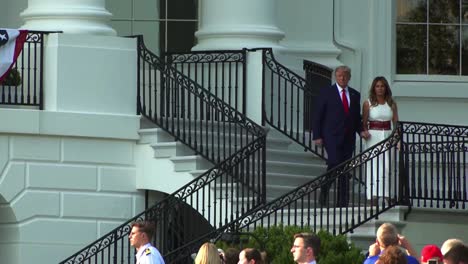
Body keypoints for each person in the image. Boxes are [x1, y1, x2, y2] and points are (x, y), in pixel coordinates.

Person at [312, 65, 363, 207]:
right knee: (334, 163)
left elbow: (355, 117)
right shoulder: (327, 92)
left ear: (349, 78)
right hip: (331, 136)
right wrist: (317, 135)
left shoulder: (354, 94)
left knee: (345, 168)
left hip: (349, 137)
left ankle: (343, 201)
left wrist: (361, 131)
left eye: (345, 76)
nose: (343, 78)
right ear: (336, 77)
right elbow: (318, 115)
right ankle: (324, 191)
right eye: (340, 76)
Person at [361, 76, 399, 204]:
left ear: (386, 88)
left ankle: (388, 194)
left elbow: (395, 123)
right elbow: (364, 123)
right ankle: (373, 195)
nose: (380, 89)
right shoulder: (368, 103)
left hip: (388, 135)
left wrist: (397, 140)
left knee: (388, 165)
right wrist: (364, 132)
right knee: (374, 165)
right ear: (374, 88)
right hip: (373, 136)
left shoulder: (391, 103)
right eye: (377, 86)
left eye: (382, 86)